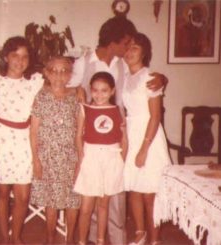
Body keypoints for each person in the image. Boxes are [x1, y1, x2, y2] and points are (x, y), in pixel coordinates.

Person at [68, 16, 167, 244]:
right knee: (93, 195)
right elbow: (67, 85)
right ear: (114, 41)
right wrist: (77, 93)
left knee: (116, 192)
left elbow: (143, 78)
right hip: (93, 139)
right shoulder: (85, 62)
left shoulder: (124, 64)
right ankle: (93, 238)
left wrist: (162, 78)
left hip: (120, 135)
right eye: (126, 43)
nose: (128, 49)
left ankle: (116, 238)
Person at [0, 36, 44, 244]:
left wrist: (78, 90)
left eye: (25, 56)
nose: (20, 60)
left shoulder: (35, 83)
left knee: (23, 196)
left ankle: (17, 237)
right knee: (2, 193)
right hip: (1, 140)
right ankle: (5, 238)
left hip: (24, 141)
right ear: (6, 57)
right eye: (15, 55)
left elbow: (61, 81)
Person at [122, 32, 171, 245]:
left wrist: (144, 149)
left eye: (135, 47)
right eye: (127, 47)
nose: (129, 51)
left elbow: (155, 116)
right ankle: (140, 234)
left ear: (144, 52)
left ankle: (155, 240)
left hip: (148, 137)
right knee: (134, 187)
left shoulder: (151, 78)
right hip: (132, 133)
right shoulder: (126, 77)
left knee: (150, 193)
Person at [29, 56, 81, 244]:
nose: (59, 75)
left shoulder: (76, 97)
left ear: (69, 75)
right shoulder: (41, 96)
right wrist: (36, 160)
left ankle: (70, 240)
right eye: (55, 71)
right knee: (51, 201)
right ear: (47, 73)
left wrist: (79, 161)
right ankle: (50, 239)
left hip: (70, 157)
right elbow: (33, 132)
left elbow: (79, 132)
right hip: (48, 157)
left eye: (64, 71)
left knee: (72, 200)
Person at [74, 72, 128, 245]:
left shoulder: (117, 110)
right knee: (86, 207)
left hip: (111, 159)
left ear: (112, 91)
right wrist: (81, 157)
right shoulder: (85, 109)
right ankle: (82, 241)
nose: (99, 95)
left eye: (104, 91)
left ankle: (100, 240)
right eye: (95, 90)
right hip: (91, 158)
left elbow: (123, 137)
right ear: (90, 90)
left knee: (103, 205)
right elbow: (78, 136)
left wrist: (122, 159)